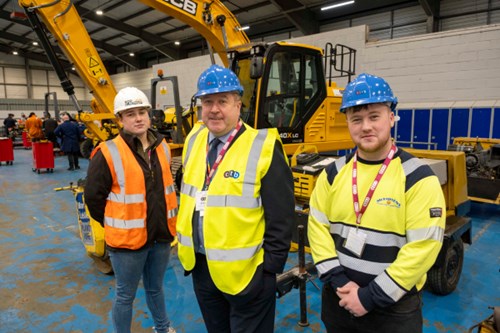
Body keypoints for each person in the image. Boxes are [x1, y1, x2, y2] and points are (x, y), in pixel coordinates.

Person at [306, 73, 446, 333]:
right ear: (347, 122)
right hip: (339, 299)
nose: (365, 126)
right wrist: (339, 281)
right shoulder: (333, 173)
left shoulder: (417, 178)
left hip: (393, 311)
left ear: (391, 117)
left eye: (374, 117)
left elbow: (423, 247)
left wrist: (369, 297)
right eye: (356, 119)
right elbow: (317, 228)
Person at [176, 64, 295, 333]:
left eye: (222, 101)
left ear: (238, 105)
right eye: (208, 101)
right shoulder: (195, 139)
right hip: (202, 267)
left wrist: (268, 271)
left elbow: (282, 215)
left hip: (248, 274)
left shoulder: (262, 146)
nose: (214, 109)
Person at [84, 87, 178, 333]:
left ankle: (163, 327)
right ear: (119, 120)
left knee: (155, 288)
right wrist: (115, 223)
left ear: (149, 115)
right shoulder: (108, 152)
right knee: (125, 296)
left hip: (160, 235)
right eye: (130, 114)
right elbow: (93, 198)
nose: (138, 118)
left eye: (142, 112)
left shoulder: (163, 147)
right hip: (127, 243)